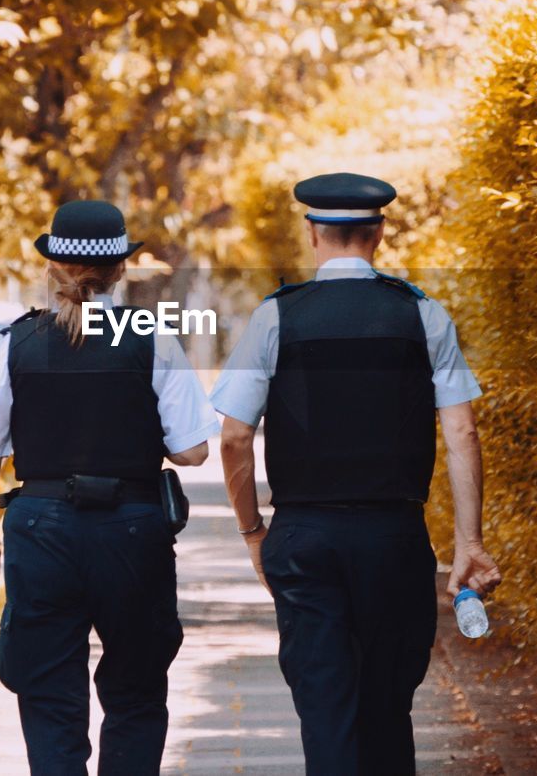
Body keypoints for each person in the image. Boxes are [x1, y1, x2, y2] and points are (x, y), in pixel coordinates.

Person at [211, 172, 502, 776]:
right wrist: (469, 543)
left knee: (326, 708)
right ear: (380, 234)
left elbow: (236, 435)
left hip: (304, 538)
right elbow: (462, 433)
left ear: (313, 232)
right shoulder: (422, 315)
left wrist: (251, 531)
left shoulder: (275, 318)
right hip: (393, 538)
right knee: (388, 708)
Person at [0, 199, 219, 776]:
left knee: (49, 697)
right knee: (137, 692)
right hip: (132, 532)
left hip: (42, 531)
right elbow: (194, 449)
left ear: (53, 268)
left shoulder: (17, 344)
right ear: (121, 268)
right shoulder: (153, 339)